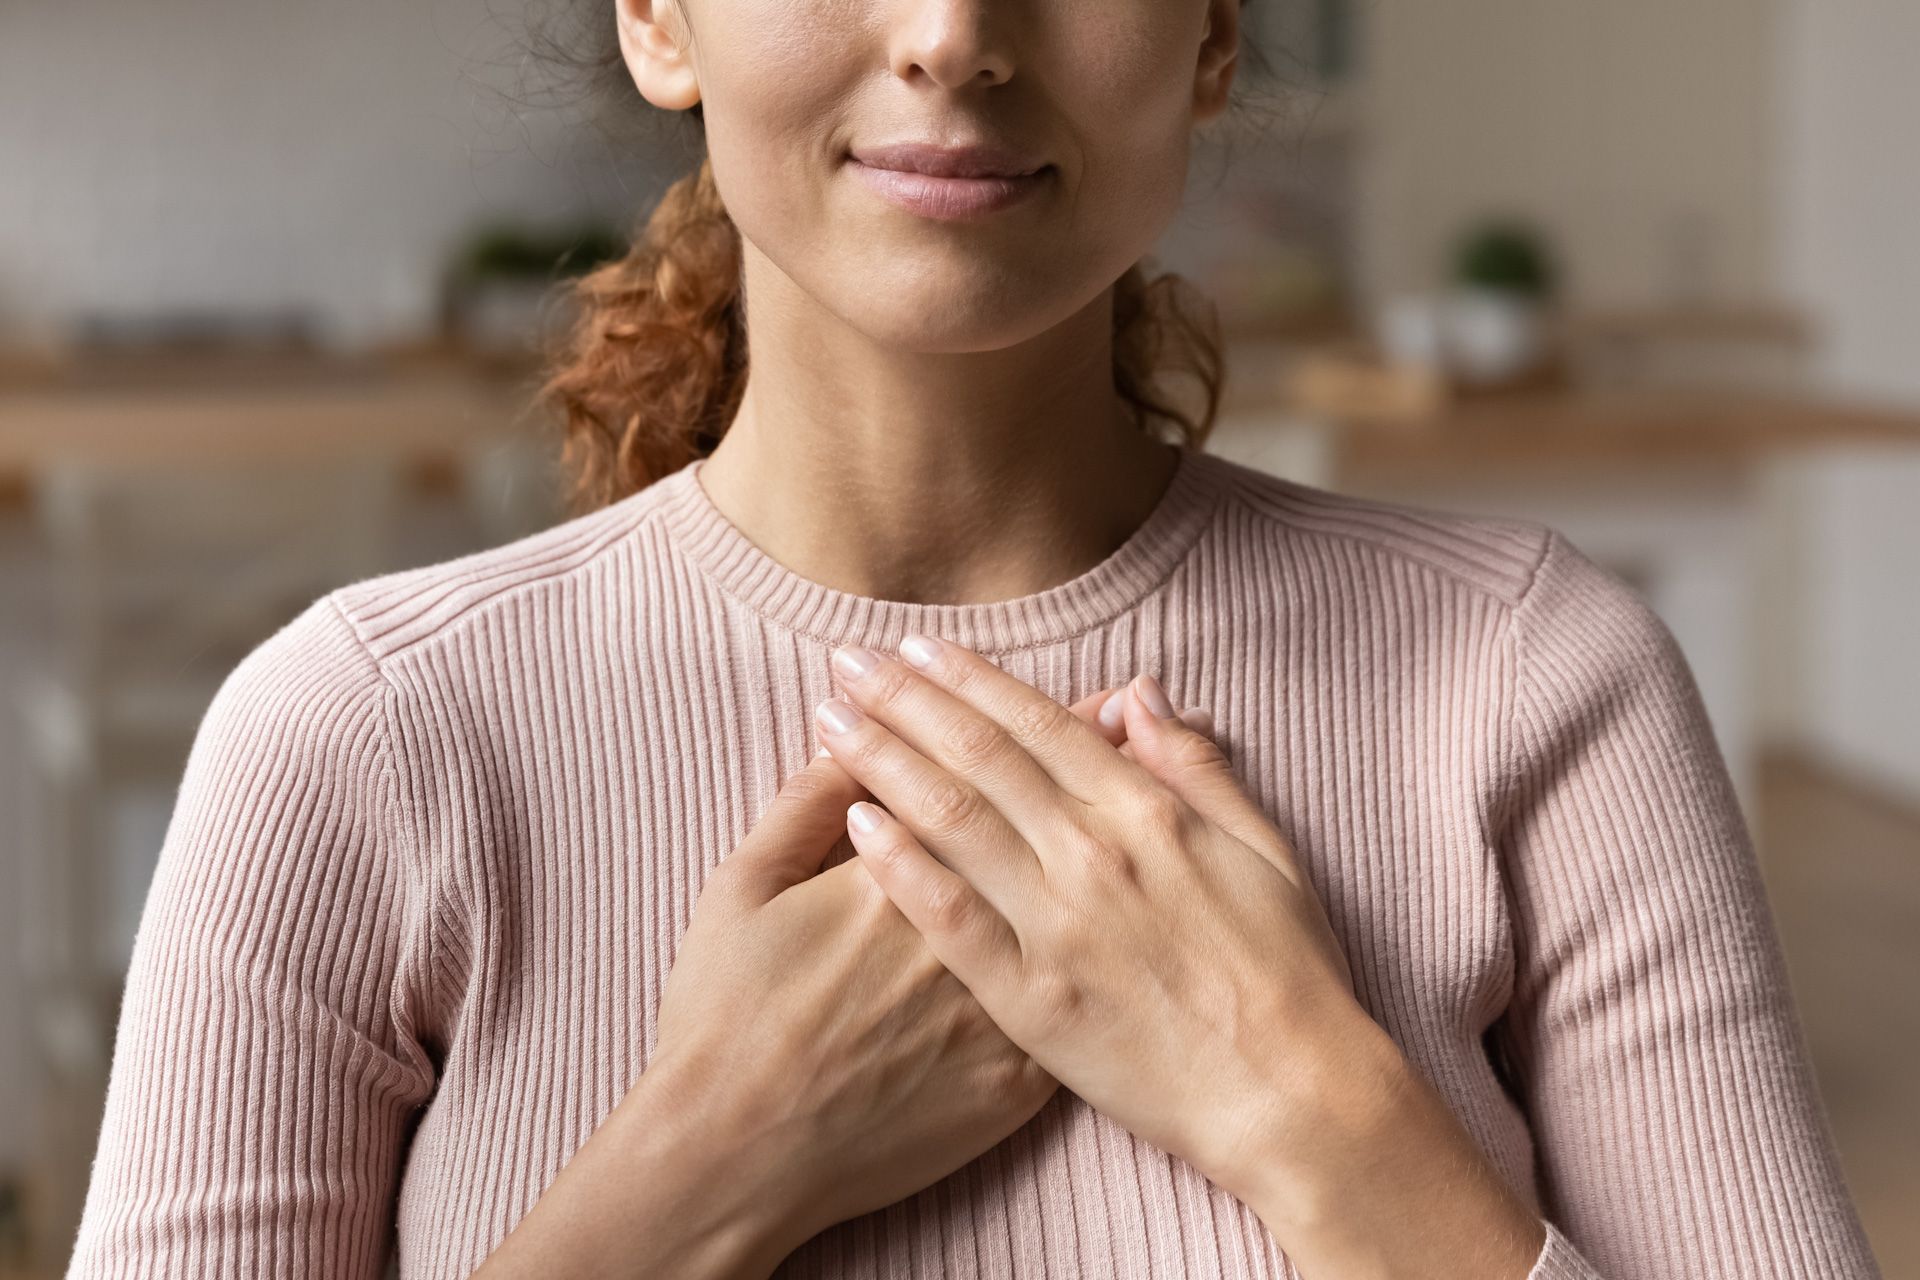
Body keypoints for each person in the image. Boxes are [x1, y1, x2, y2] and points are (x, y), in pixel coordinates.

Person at [69, 1, 1883, 1277]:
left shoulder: (1536, 682)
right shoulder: (357, 740)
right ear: (658, 15)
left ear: (1217, 31)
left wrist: (1305, 1104)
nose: (952, 31)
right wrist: (705, 1166)